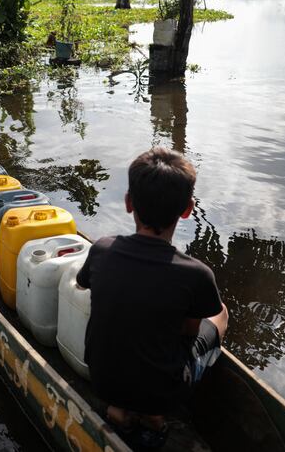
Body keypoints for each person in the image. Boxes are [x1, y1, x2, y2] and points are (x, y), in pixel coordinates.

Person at [76, 147, 229, 449]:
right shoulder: (197, 274)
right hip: (163, 392)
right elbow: (188, 333)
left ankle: (118, 410)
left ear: (129, 203)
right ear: (187, 209)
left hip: (101, 379)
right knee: (220, 314)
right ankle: (155, 416)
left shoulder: (102, 250)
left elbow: (84, 284)